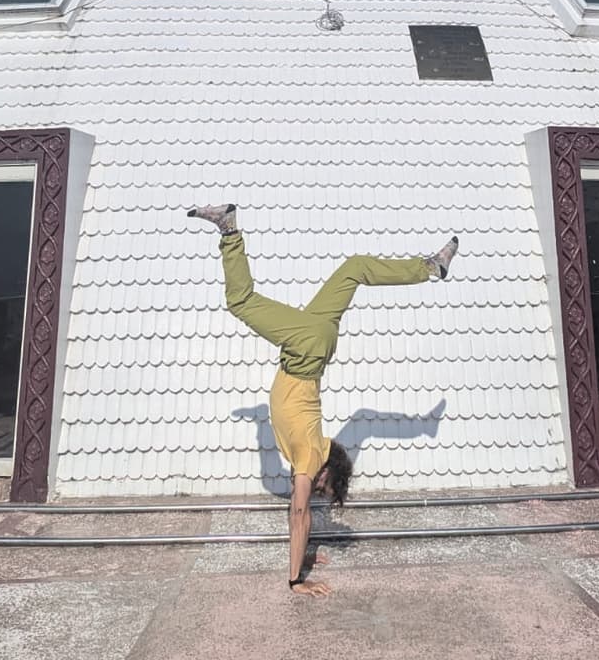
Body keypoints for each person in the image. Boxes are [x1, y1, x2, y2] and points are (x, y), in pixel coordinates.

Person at [188, 201, 458, 598]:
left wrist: (308, 554)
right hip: (307, 346)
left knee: (355, 267)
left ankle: (431, 267)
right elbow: (299, 515)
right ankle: (230, 231)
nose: (314, 489)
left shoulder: (312, 449)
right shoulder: (311, 457)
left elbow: (301, 515)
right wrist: (297, 579)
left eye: (319, 491)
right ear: (327, 470)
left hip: (315, 339)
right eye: (324, 487)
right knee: (241, 302)